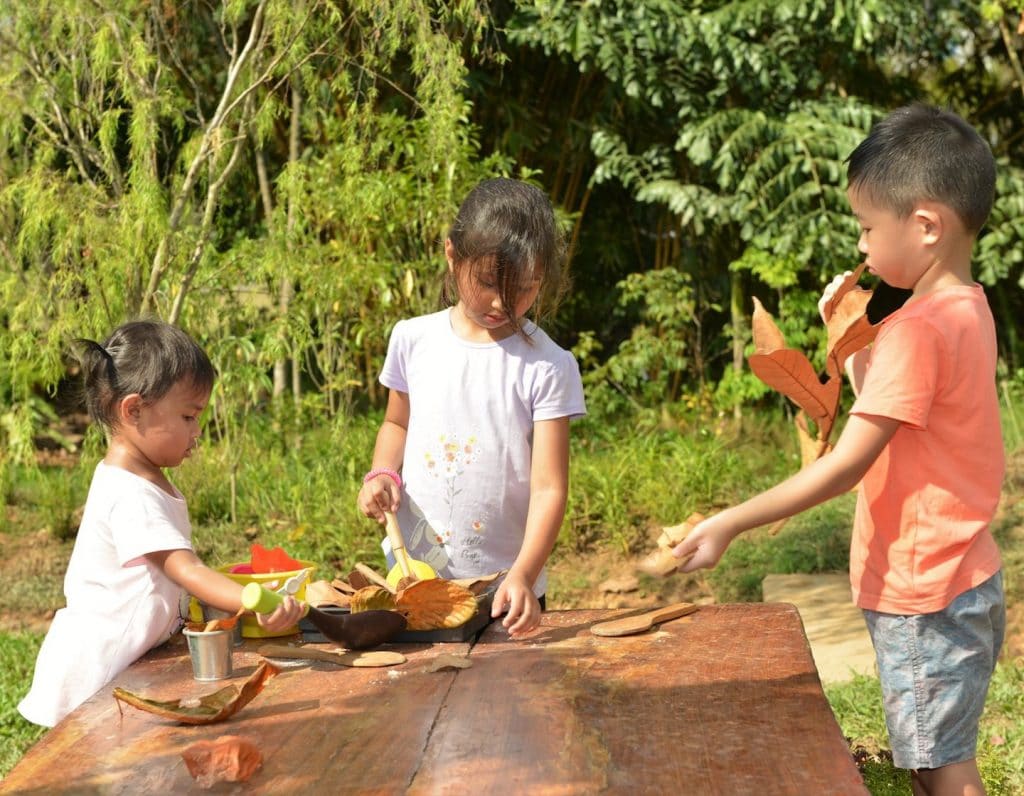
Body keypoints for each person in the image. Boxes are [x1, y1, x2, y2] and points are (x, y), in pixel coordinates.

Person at [675, 103, 1005, 796]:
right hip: (961, 576)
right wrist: (848, 336)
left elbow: (848, 461)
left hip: (924, 591)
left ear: (925, 226)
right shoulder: (967, 308)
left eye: (866, 228)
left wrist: (732, 521)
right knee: (932, 754)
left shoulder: (916, 330)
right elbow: (904, 413)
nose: (861, 248)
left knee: (944, 770)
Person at [18, 320, 303, 728]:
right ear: (133, 409)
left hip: (126, 667)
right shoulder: (130, 493)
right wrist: (253, 601)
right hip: (97, 675)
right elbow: (186, 569)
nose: (197, 430)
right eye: (188, 416)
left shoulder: (147, 478)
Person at [357, 177, 587, 638]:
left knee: (505, 704)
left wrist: (524, 574)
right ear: (451, 254)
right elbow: (396, 423)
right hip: (415, 580)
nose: (503, 302)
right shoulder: (413, 339)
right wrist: (381, 473)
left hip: (505, 589)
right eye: (486, 282)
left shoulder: (548, 366)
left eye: (524, 288)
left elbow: (549, 490)